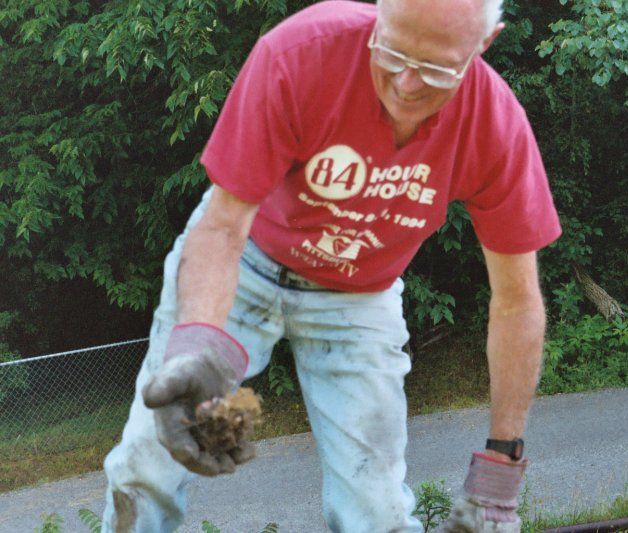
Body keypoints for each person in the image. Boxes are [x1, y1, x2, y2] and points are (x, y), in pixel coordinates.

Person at [101, 0, 561, 530]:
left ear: (484, 44)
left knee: (376, 508)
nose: (406, 83)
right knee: (147, 465)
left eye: (435, 69)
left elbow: (517, 301)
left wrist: (500, 474)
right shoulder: (300, 55)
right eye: (391, 53)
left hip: (360, 295)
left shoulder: (495, 126)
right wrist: (197, 347)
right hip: (243, 260)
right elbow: (223, 226)